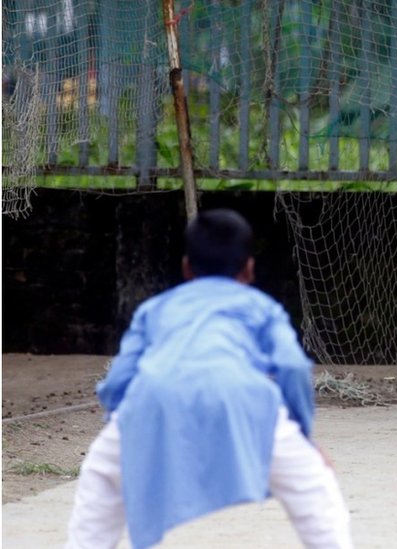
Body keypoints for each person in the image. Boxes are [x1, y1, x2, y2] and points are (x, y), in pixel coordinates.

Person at [65, 209, 354, 548]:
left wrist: (123, 422)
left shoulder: (155, 309)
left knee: (100, 478)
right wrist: (304, 436)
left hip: (153, 401)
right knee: (317, 494)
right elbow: (292, 367)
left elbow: (118, 382)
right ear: (249, 268)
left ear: (187, 267)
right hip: (247, 402)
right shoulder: (262, 308)